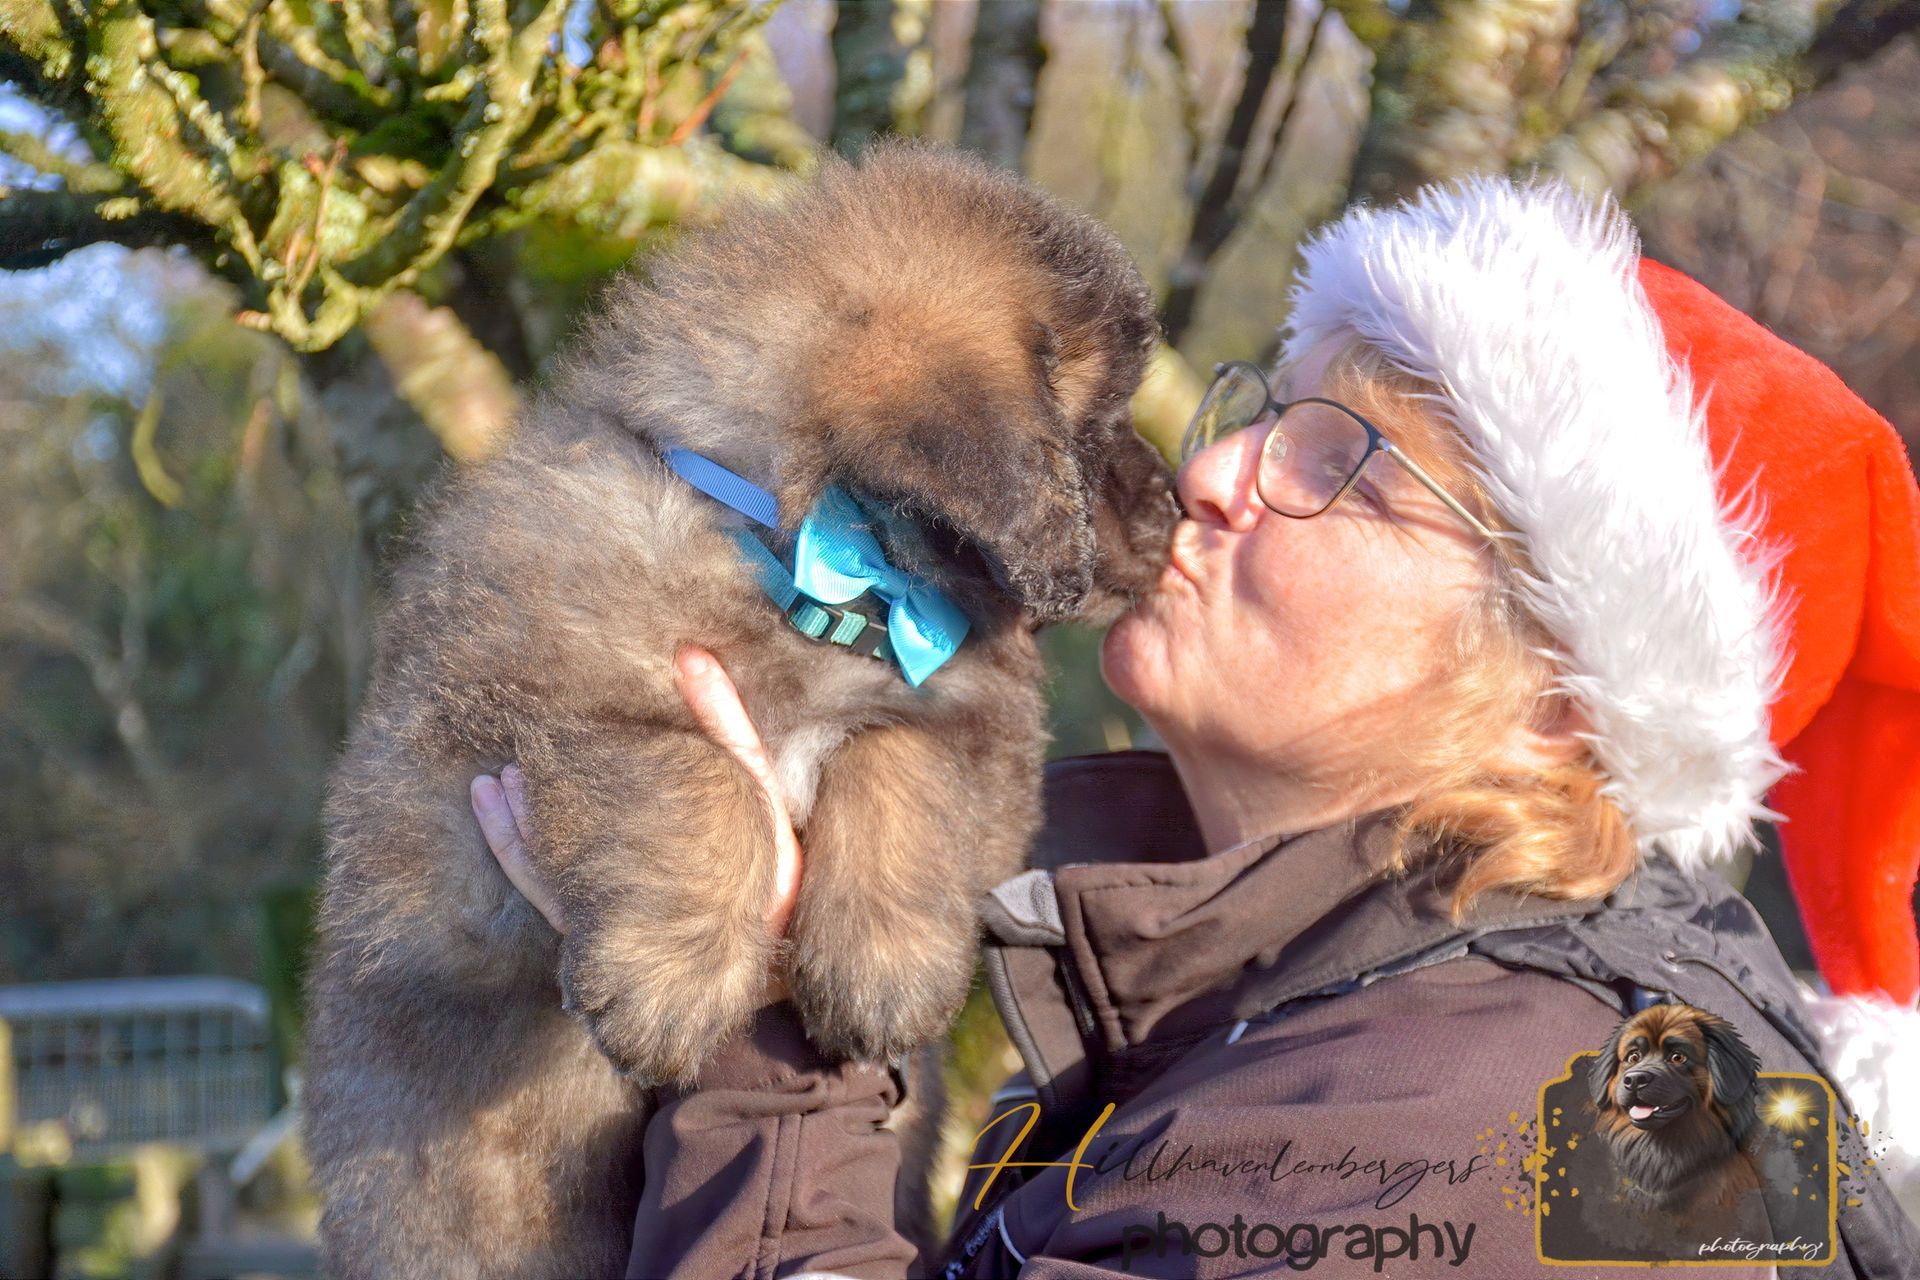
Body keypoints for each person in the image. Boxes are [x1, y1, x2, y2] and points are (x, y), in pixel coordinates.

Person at [467, 178, 1920, 1277]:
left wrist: (774, 1035)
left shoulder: (1475, 1134)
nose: (1217, 468)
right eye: (1269, 413)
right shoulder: (1356, 1024)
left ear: (1552, 695)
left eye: (1344, 470)